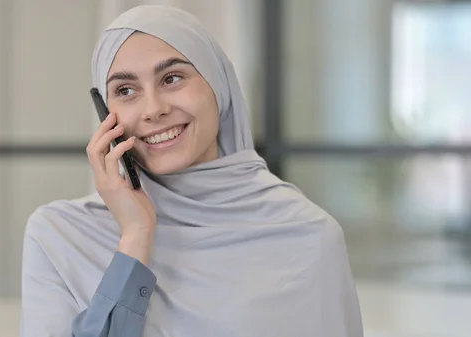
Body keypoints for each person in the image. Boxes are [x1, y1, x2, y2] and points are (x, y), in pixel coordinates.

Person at [20, 5, 363, 337]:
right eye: (126, 90)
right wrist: (135, 237)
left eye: (172, 78)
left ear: (219, 87)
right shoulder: (60, 237)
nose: (154, 109)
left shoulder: (307, 237)